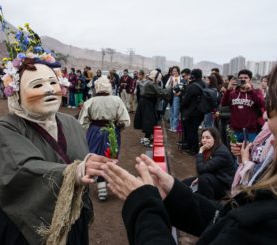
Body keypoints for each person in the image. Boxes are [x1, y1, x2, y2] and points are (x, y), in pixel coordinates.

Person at [101, 65, 277, 245]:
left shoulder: (265, 222)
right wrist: (173, 193)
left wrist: (143, 207)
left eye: (271, 113)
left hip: (217, 181)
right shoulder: (263, 201)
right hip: (214, 180)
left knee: (205, 179)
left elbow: (203, 170)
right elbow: (225, 220)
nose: (265, 122)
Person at [0, 23, 110, 244]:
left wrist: (91, 163)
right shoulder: (5, 128)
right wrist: (74, 172)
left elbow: (77, 157)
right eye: (37, 85)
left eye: (53, 82)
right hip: (26, 224)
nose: (48, 89)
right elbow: (19, 170)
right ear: (16, 93)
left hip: (72, 218)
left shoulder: (69, 122)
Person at [78, 76, 130, 201]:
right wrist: (117, 128)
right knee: (109, 157)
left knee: (94, 157)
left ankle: (95, 186)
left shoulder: (91, 101)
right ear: (109, 87)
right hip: (112, 132)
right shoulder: (117, 100)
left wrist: (88, 130)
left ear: (97, 87)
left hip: (95, 132)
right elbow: (125, 120)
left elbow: (82, 122)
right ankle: (105, 186)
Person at [183, 128, 235, 200]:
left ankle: (209, 205)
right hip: (213, 177)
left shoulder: (222, 152)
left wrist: (200, 151)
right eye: (203, 137)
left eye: (208, 138)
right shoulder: (209, 149)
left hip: (223, 184)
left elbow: (201, 169)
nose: (204, 140)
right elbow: (205, 169)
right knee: (185, 183)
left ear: (215, 138)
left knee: (203, 179)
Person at [221, 69, 265, 142]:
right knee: (234, 151)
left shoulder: (256, 92)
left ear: (250, 80)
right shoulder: (233, 93)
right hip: (234, 130)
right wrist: (228, 90)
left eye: (245, 78)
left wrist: (251, 91)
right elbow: (223, 103)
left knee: (250, 152)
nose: (243, 80)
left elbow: (261, 104)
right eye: (241, 78)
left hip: (251, 131)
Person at [134, 70, 171, 147]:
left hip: (146, 103)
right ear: (155, 77)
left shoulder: (150, 82)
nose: (160, 79)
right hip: (147, 103)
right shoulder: (151, 83)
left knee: (149, 120)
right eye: (159, 78)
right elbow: (162, 92)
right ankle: (146, 140)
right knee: (149, 120)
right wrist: (171, 86)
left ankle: (146, 137)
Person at [181, 69, 206, 155]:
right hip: (200, 111)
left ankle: (193, 149)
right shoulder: (203, 84)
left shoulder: (193, 86)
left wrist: (182, 105)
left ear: (193, 75)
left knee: (191, 130)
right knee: (194, 130)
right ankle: (190, 146)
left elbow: (185, 100)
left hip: (191, 111)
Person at [165, 66, 181, 132]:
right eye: (173, 71)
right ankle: (171, 126)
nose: (174, 72)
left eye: (175, 71)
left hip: (177, 96)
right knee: (171, 111)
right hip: (171, 96)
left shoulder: (180, 78)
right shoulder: (171, 78)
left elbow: (182, 87)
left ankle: (175, 127)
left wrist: (179, 92)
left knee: (176, 112)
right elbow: (166, 86)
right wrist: (170, 83)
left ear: (178, 71)